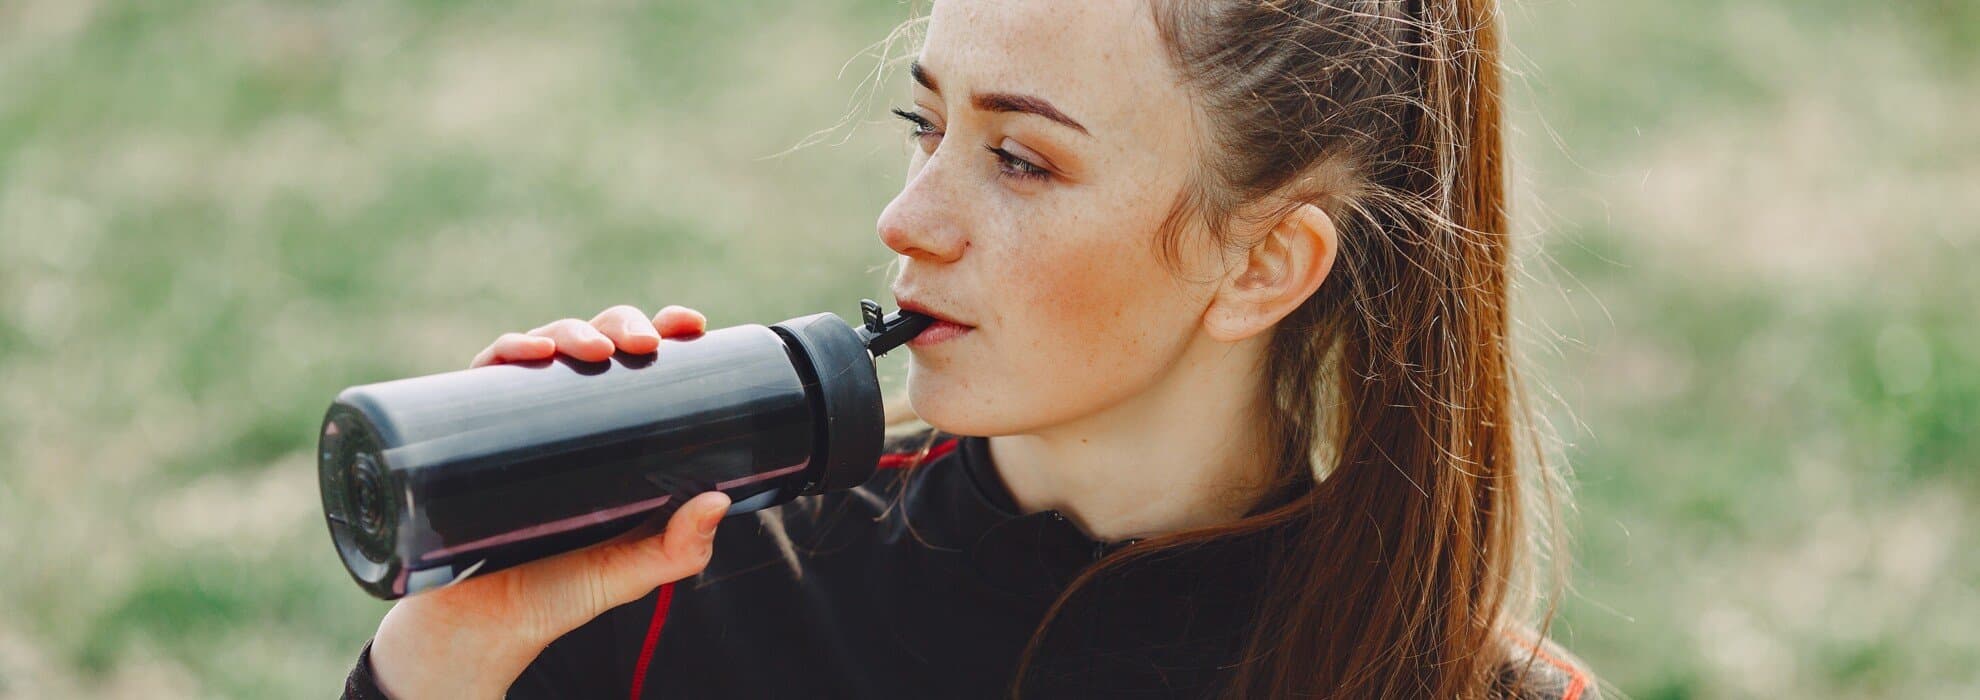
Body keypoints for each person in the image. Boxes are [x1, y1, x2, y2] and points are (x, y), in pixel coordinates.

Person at [342, 0, 1601, 697]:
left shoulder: (1458, 689)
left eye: (1019, 158)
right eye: (923, 121)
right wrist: (438, 668)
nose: (906, 218)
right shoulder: (682, 588)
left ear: (1262, 263)